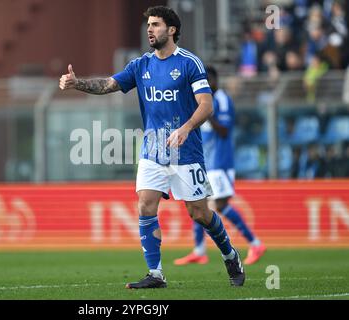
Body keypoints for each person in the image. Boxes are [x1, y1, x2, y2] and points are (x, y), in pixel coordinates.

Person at [59, 6, 245, 289]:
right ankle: (156, 274)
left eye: (156, 24)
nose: (150, 29)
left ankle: (230, 254)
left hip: (187, 151)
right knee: (145, 204)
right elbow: (108, 84)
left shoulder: (189, 63)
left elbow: (206, 106)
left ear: (171, 30)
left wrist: (185, 128)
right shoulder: (140, 65)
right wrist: (77, 84)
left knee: (199, 213)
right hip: (153, 150)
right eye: (148, 24)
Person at [174, 66, 266, 267]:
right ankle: (199, 250)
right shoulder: (201, 100)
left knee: (218, 205)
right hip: (206, 160)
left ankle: (255, 243)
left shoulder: (221, 99)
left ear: (215, 80)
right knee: (200, 203)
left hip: (220, 161)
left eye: (207, 80)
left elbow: (224, 131)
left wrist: (207, 113)